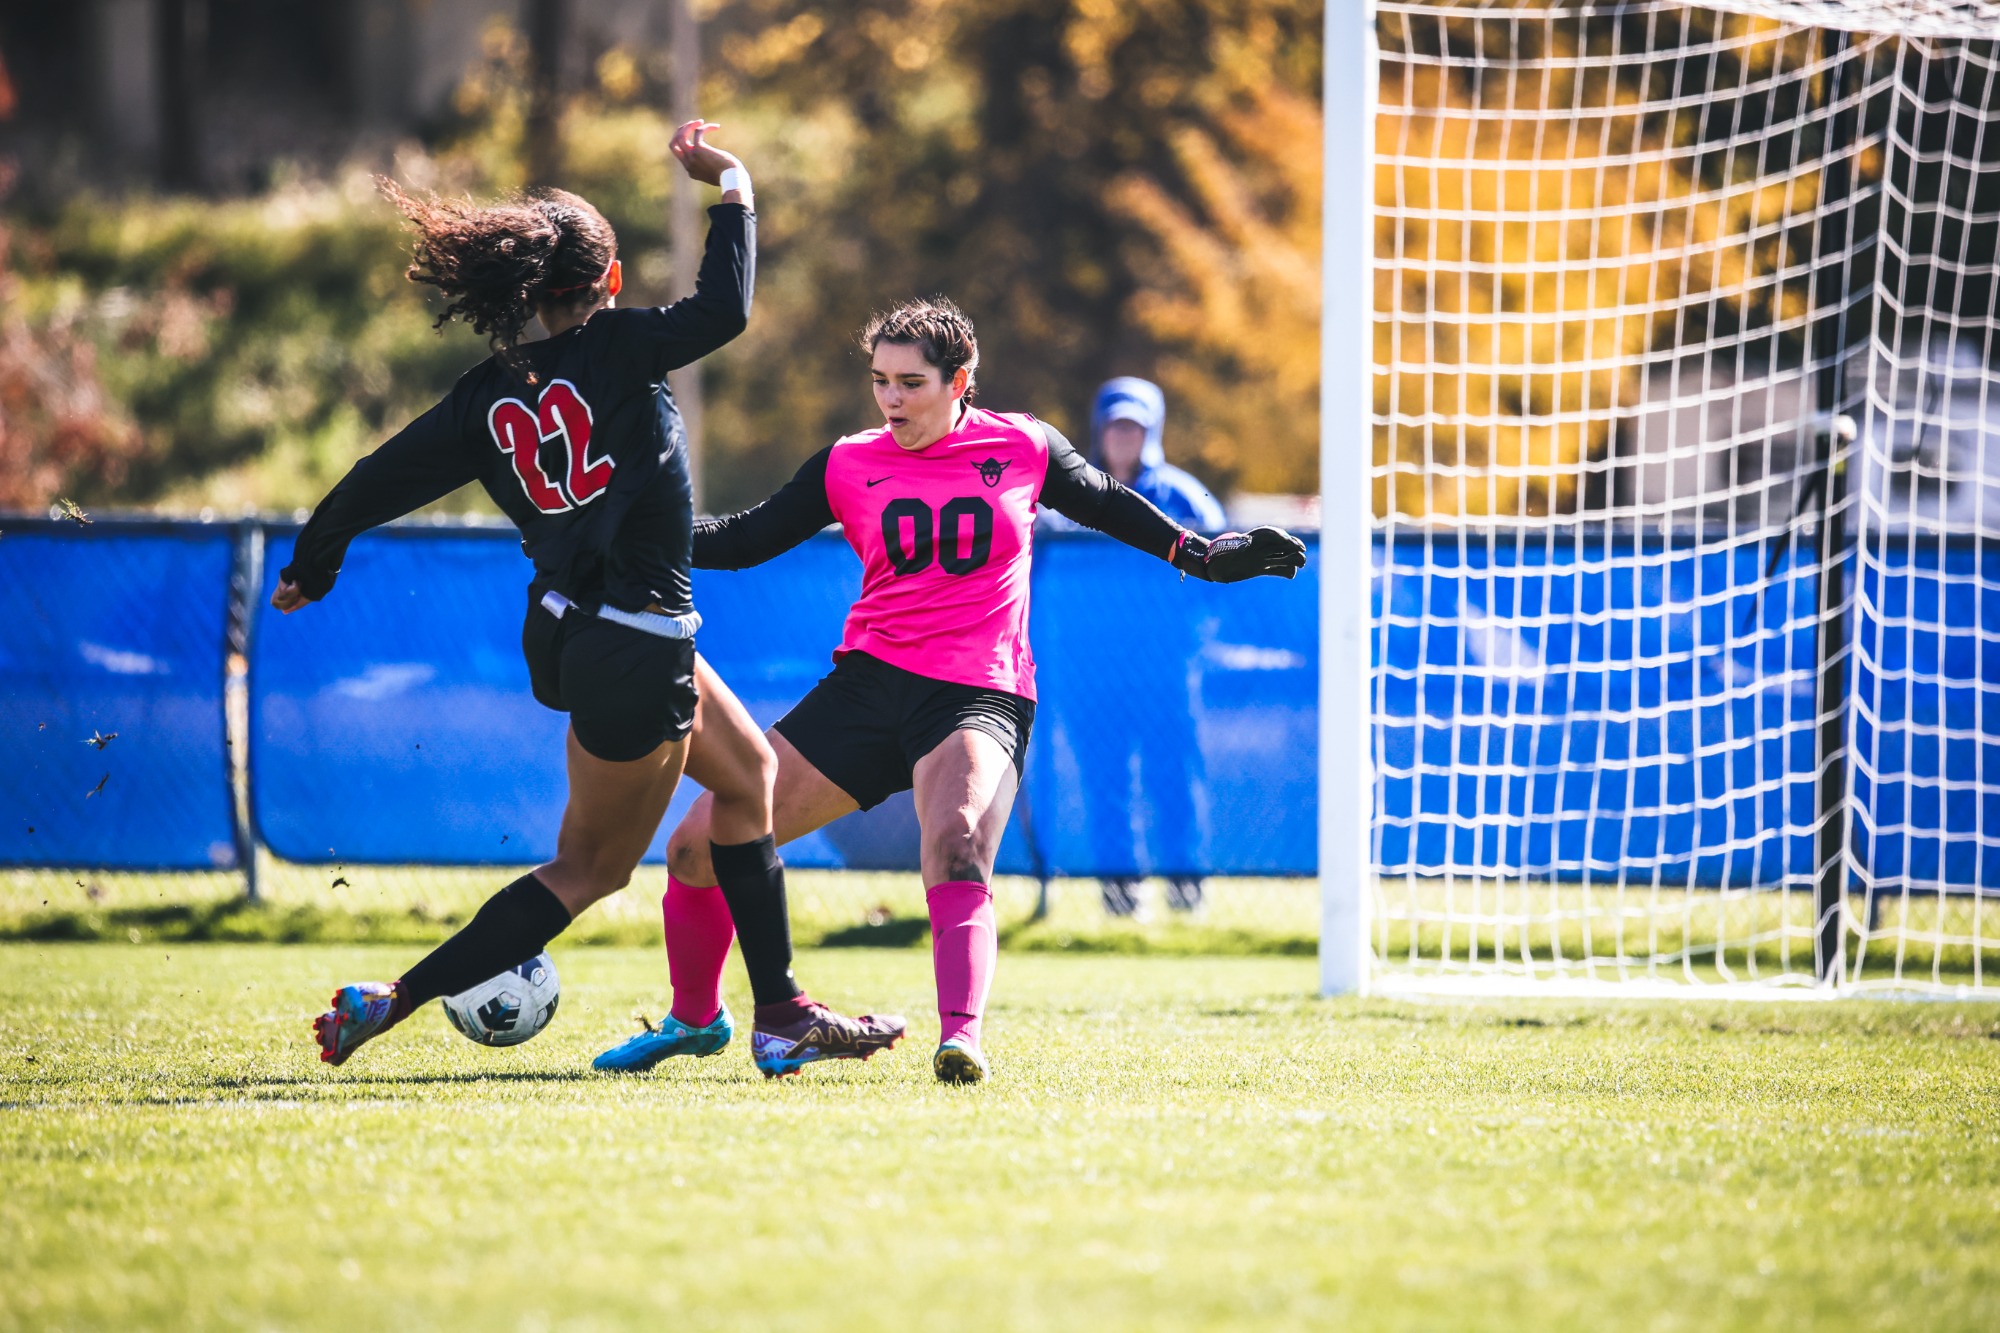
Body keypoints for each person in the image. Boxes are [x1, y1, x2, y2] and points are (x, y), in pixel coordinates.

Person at [275, 121, 904, 1075]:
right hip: (637, 644)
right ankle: (393, 999)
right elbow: (723, 309)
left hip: (589, 637)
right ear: (609, 285)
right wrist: (731, 183)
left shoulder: (487, 394)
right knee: (592, 870)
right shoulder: (619, 347)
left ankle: (780, 1010)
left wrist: (314, 564)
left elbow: (373, 479)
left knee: (748, 782)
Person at [599, 297, 1305, 1086]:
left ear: (959, 380)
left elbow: (1108, 503)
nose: (892, 399)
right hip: (867, 688)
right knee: (697, 846)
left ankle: (961, 1036)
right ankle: (696, 1020)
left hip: (977, 690)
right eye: (880, 382)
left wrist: (1202, 553)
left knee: (958, 842)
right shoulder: (848, 461)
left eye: (911, 382)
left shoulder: (1024, 445)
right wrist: (623, 533)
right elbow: (743, 540)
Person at [1085, 377, 1221, 918]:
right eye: (1115, 425)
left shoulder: (1184, 497)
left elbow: (1216, 576)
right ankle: (1121, 896)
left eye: (1134, 427)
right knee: (1107, 780)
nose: (1124, 437)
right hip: (1093, 671)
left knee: (1174, 777)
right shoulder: (1079, 493)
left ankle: (1187, 891)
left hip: (1167, 669)